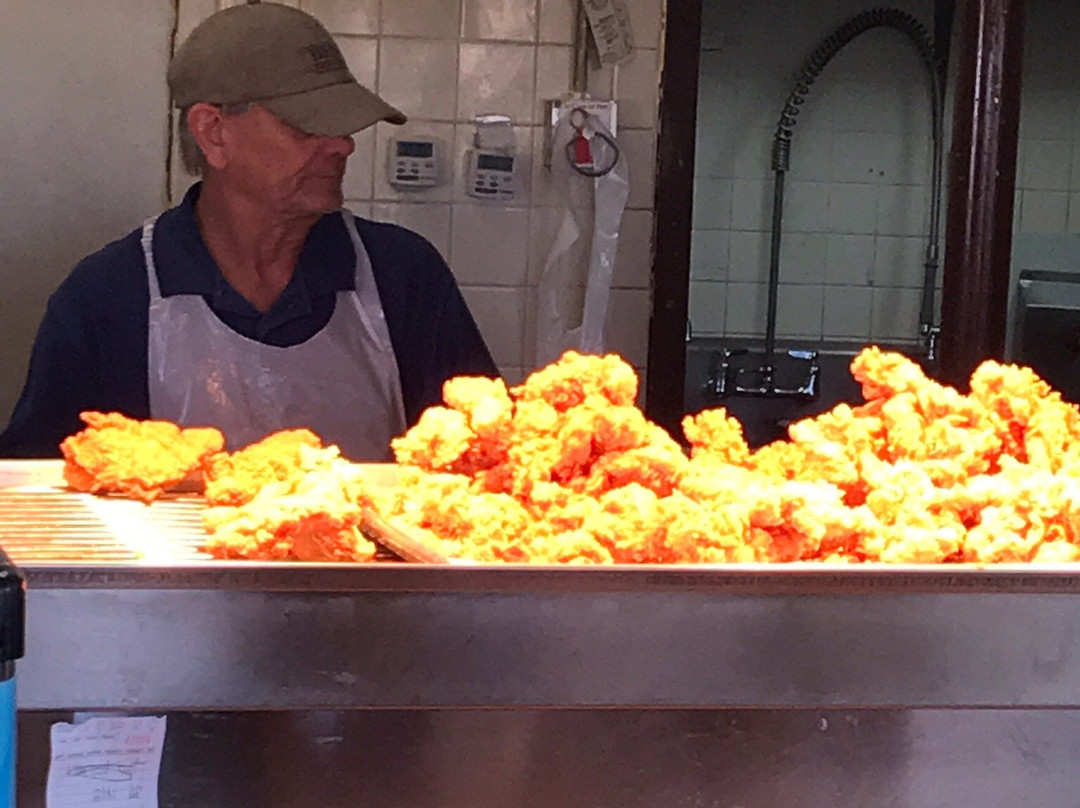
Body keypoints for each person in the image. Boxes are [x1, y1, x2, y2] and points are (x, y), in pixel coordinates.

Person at [0, 1, 497, 460]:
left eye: (344, 125)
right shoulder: (107, 296)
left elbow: (486, 454)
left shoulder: (403, 276)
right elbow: (34, 488)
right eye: (309, 126)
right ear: (213, 132)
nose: (342, 145)